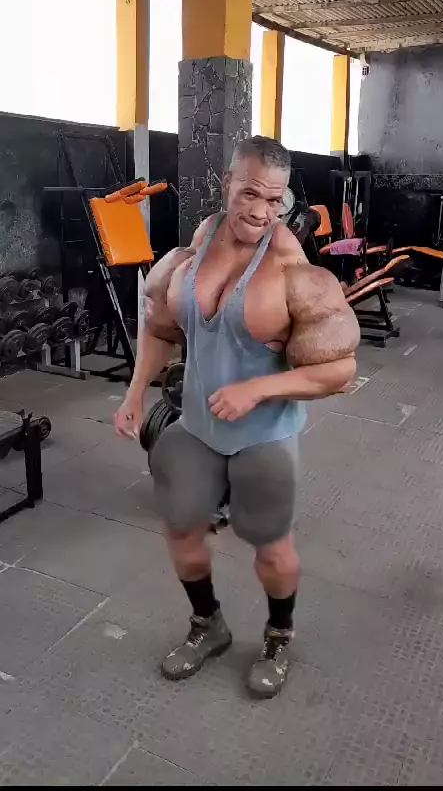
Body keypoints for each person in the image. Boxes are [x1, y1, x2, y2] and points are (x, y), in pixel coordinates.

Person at [115, 136, 360, 698]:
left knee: (271, 547)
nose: (260, 211)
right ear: (226, 183)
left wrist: (260, 387)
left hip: (263, 436)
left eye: (275, 200)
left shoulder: (292, 271)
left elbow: (340, 369)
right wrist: (134, 393)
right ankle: (209, 625)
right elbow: (159, 326)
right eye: (250, 193)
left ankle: (278, 635)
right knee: (182, 532)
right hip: (197, 428)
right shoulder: (198, 246)